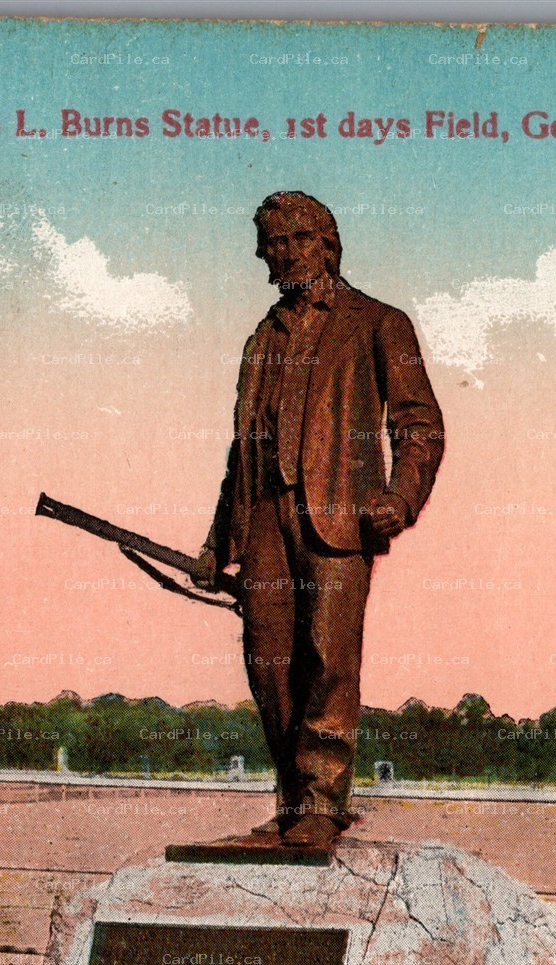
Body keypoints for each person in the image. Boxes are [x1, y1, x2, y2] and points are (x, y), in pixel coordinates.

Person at [193, 190, 444, 848]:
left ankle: (323, 799)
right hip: (264, 521)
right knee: (268, 663)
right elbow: (241, 450)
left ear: (326, 244)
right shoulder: (260, 339)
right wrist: (218, 541)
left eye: (295, 240)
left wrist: (399, 496)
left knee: (328, 657)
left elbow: (419, 425)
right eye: (272, 244)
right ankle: (293, 799)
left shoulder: (378, 323)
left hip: (340, 517)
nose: (282, 253)